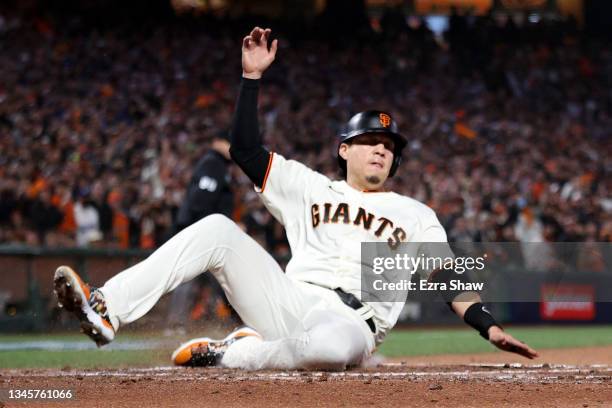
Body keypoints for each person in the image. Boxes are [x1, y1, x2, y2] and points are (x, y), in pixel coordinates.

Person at [53, 27, 537, 370]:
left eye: (389, 148)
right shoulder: (307, 185)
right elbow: (243, 149)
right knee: (216, 229)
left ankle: (234, 354)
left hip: (352, 320)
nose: (380, 151)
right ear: (345, 150)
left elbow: (447, 276)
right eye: (371, 142)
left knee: (325, 351)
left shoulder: (415, 214)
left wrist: (488, 326)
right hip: (287, 299)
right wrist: (250, 78)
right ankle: (106, 307)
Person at [166, 132, 236, 330]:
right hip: (200, 230)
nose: (231, 147)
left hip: (207, 230)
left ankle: (222, 321)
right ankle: (176, 323)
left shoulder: (218, 165)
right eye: (227, 142)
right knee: (190, 277)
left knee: (218, 278)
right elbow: (200, 200)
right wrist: (206, 228)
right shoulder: (213, 163)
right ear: (216, 142)